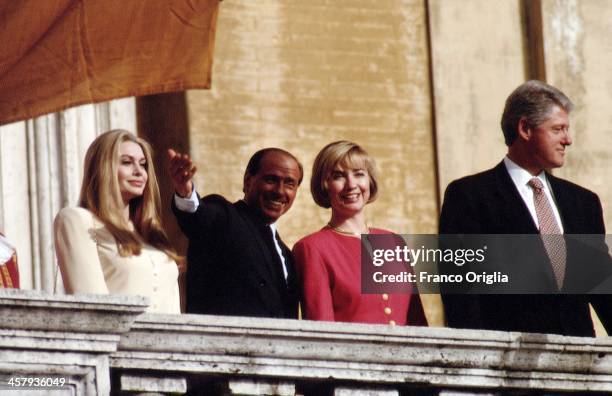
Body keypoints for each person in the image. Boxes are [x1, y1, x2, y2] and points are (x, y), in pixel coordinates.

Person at [439, 80, 612, 336]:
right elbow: (461, 294)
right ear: (525, 128)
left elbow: (602, 288)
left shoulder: (583, 203)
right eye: (558, 129)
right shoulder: (470, 196)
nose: (569, 140)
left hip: (579, 361)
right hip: (507, 364)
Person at [293, 141, 427, 326]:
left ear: (369, 180)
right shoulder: (311, 248)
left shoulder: (394, 242)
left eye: (359, 174)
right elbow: (322, 331)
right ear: (324, 185)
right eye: (339, 176)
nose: (351, 184)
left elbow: (417, 321)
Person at [54, 130, 180, 313]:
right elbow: (94, 308)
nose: (139, 172)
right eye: (127, 162)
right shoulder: (77, 220)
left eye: (143, 164)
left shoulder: (152, 232)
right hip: (117, 340)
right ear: (102, 168)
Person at [168, 147, 302, 318]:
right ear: (248, 181)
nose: (280, 191)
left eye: (289, 183)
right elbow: (197, 216)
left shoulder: (287, 256)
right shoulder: (224, 217)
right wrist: (185, 192)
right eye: (271, 180)